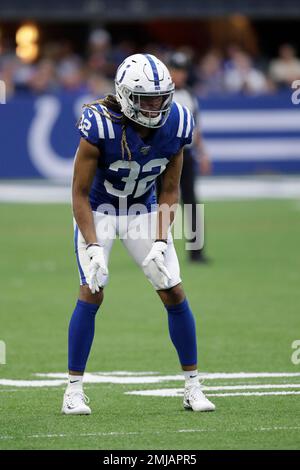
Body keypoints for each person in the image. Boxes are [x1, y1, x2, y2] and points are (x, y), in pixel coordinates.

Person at [61, 53, 215, 415]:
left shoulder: (177, 123)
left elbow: (171, 189)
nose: (156, 105)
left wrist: (162, 239)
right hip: (99, 209)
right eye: (147, 98)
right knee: (92, 290)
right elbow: (79, 194)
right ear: (126, 95)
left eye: (162, 97)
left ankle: (193, 386)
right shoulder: (99, 124)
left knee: (173, 289)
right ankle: (73, 391)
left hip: (143, 210)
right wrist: (94, 245)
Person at [167, 51, 212, 263]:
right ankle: (158, 249)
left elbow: (196, 129)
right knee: (162, 203)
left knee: (191, 201)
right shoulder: (161, 94)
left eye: (183, 71)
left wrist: (203, 153)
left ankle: (196, 252)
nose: (180, 75)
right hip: (165, 155)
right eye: (176, 70)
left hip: (186, 154)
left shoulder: (189, 95)